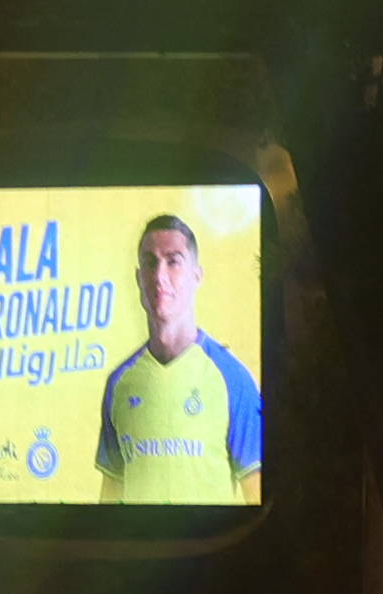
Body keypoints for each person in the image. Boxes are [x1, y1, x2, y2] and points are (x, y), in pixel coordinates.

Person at [94, 214, 263, 504]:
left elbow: (257, 495)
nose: (159, 275)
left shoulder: (233, 380)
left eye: (173, 261)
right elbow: (109, 497)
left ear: (196, 276)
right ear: (138, 278)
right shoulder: (120, 383)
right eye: (150, 262)